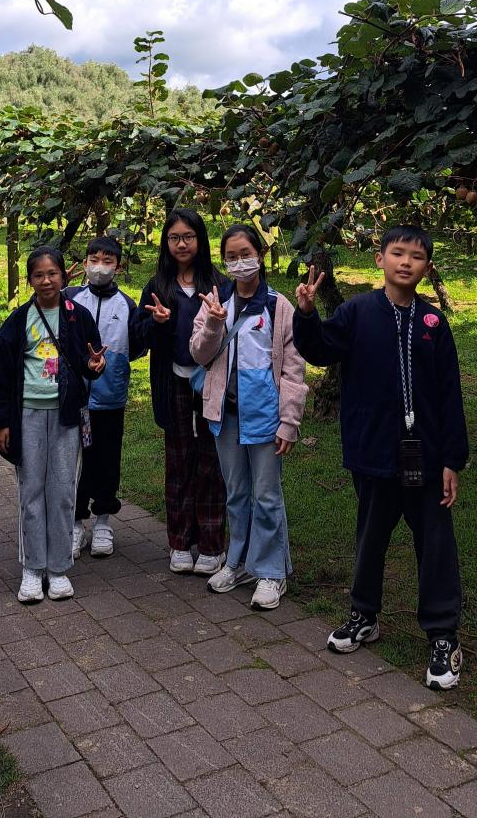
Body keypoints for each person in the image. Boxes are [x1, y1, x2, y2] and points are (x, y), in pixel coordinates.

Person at [292, 225, 468, 690]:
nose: (406, 262)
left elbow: (450, 395)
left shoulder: (434, 323)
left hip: (426, 457)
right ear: (380, 259)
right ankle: (364, 615)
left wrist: (452, 459)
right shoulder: (356, 312)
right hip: (372, 450)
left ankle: (443, 634)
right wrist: (306, 315)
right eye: (398, 253)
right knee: (370, 537)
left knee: (435, 542)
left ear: (427, 267)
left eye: (416, 256)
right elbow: (320, 349)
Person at [191, 224, 307, 610]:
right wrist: (213, 322)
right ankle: (238, 562)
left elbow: (293, 369)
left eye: (245, 254)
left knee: (267, 495)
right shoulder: (215, 301)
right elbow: (199, 354)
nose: (239, 263)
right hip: (226, 415)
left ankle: (271, 571)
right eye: (231, 257)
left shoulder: (279, 306)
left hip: (266, 417)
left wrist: (289, 421)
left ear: (260, 255)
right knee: (237, 493)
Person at [0, 246, 106, 604]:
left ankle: (58, 569)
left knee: (63, 490)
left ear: (64, 276)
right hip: (28, 415)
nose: (46, 280)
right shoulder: (19, 320)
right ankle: (32, 568)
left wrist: (94, 367)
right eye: (38, 275)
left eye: (52, 273)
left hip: (67, 416)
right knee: (32, 491)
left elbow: (89, 360)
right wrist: (2, 422)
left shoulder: (77, 316)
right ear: (30, 281)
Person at [138, 207, 226, 576]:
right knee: (178, 463)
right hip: (173, 381)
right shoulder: (157, 286)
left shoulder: (219, 283)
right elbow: (138, 339)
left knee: (211, 463)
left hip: (211, 384)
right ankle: (179, 542)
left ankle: (211, 544)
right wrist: (156, 323)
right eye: (174, 238)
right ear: (166, 243)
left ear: (200, 240)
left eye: (188, 236)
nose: (182, 244)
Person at [66, 235, 148, 558]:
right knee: (74, 460)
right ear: (85, 263)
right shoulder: (70, 298)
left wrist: (112, 368)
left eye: (107, 261)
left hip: (110, 398)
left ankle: (103, 521)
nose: (100, 267)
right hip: (74, 398)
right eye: (94, 260)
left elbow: (138, 347)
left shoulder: (127, 305)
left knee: (107, 458)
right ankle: (75, 522)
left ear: (119, 266)